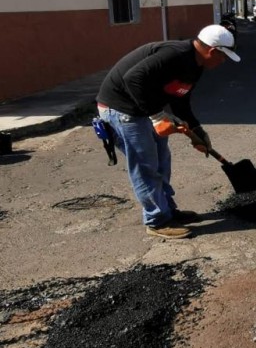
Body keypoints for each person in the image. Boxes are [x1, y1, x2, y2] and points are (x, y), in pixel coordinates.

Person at [96, 24, 240, 239]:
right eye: (223, 56)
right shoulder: (175, 55)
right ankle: (157, 221)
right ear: (212, 51)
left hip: (144, 107)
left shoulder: (196, 65)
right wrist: (156, 116)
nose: (223, 61)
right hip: (121, 109)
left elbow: (180, 98)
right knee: (146, 166)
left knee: (162, 161)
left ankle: (168, 211)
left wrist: (196, 129)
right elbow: (133, 78)